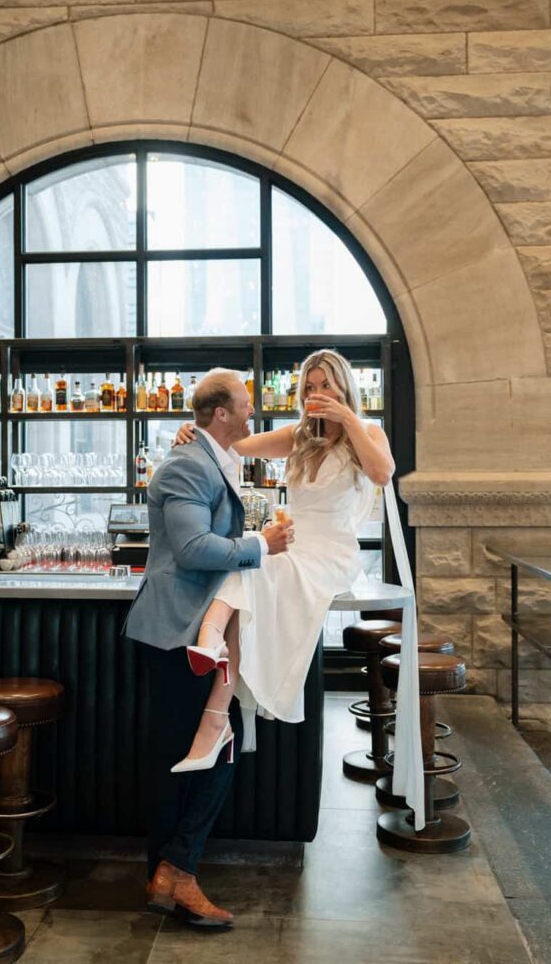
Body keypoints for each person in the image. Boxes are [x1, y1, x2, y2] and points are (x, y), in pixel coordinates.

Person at [122, 369, 294, 931]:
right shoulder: (186, 464)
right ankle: (172, 874)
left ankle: (173, 873)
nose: (253, 412)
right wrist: (259, 546)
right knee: (180, 761)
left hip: (200, 635)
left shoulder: (210, 456)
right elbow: (194, 549)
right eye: (245, 404)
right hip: (175, 631)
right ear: (220, 412)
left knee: (212, 751)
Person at [172, 348, 395, 770]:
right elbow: (233, 441)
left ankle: (210, 641)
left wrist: (347, 418)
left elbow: (382, 474)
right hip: (294, 545)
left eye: (325, 384)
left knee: (262, 560)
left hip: (333, 552)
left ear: (343, 385)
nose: (316, 394)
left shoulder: (367, 431)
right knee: (256, 556)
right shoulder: (299, 437)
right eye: (309, 387)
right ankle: (212, 665)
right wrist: (193, 431)